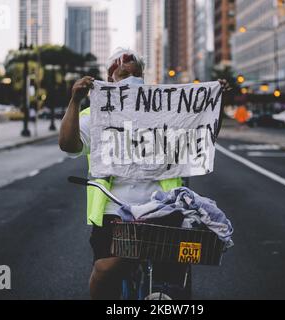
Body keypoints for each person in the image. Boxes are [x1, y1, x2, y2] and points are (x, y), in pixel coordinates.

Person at [59, 48, 231, 300]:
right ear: (109, 79)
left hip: (161, 207)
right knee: (104, 270)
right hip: (114, 212)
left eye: (134, 71)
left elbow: (202, 133)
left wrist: (214, 100)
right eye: (121, 71)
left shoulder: (163, 109)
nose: (128, 74)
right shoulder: (94, 113)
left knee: (176, 281)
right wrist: (75, 101)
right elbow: (68, 144)